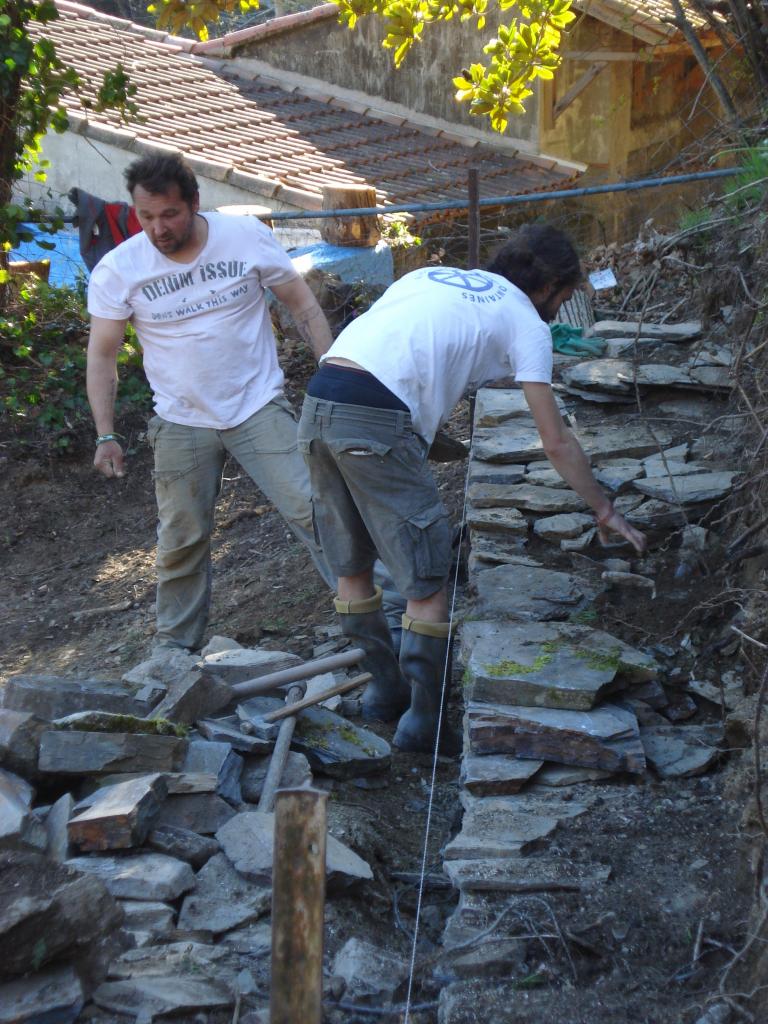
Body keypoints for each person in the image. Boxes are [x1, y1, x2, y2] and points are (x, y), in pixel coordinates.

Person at [297, 223, 647, 756]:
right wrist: (603, 507)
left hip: (319, 403)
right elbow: (554, 441)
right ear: (551, 285)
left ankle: (382, 695)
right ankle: (425, 726)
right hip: (376, 419)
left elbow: (402, 354)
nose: (565, 304)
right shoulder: (526, 321)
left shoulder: (433, 277)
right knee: (428, 580)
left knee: (353, 568)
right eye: (568, 293)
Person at [86, 153, 342, 652]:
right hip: (180, 419)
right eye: (147, 217)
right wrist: (105, 433)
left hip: (256, 405)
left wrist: (331, 375)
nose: (159, 228)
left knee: (313, 508)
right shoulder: (120, 269)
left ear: (194, 203)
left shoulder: (243, 236)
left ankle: (371, 611)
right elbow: (102, 356)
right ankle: (173, 653)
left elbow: (303, 306)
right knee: (180, 540)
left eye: (170, 215)